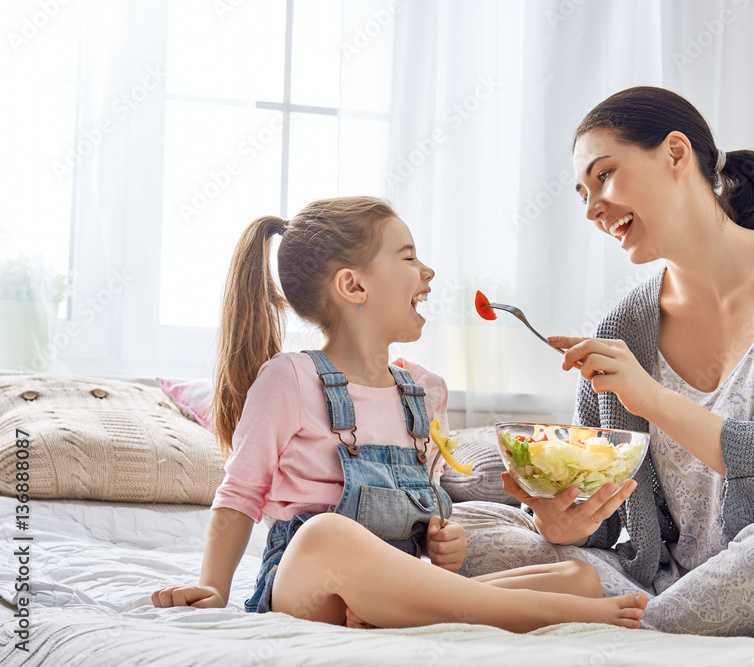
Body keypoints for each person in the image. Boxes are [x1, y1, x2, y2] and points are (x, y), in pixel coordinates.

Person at [452, 87, 754, 637]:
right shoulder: (622, 329)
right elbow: (615, 526)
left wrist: (652, 399)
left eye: (604, 176)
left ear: (676, 153)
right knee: (471, 529)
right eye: (582, 193)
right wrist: (565, 524)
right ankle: (613, 606)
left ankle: (607, 615)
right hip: (666, 581)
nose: (591, 209)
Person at [150, 197, 647, 631]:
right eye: (408, 257)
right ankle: (536, 613)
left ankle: (424, 614)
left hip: (393, 591)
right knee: (326, 533)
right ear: (353, 285)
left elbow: (425, 512)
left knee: (577, 577)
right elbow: (238, 495)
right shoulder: (290, 378)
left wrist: (443, 541)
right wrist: (211, 587)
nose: (427, 272)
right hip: (311, 589)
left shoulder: (426, 391)